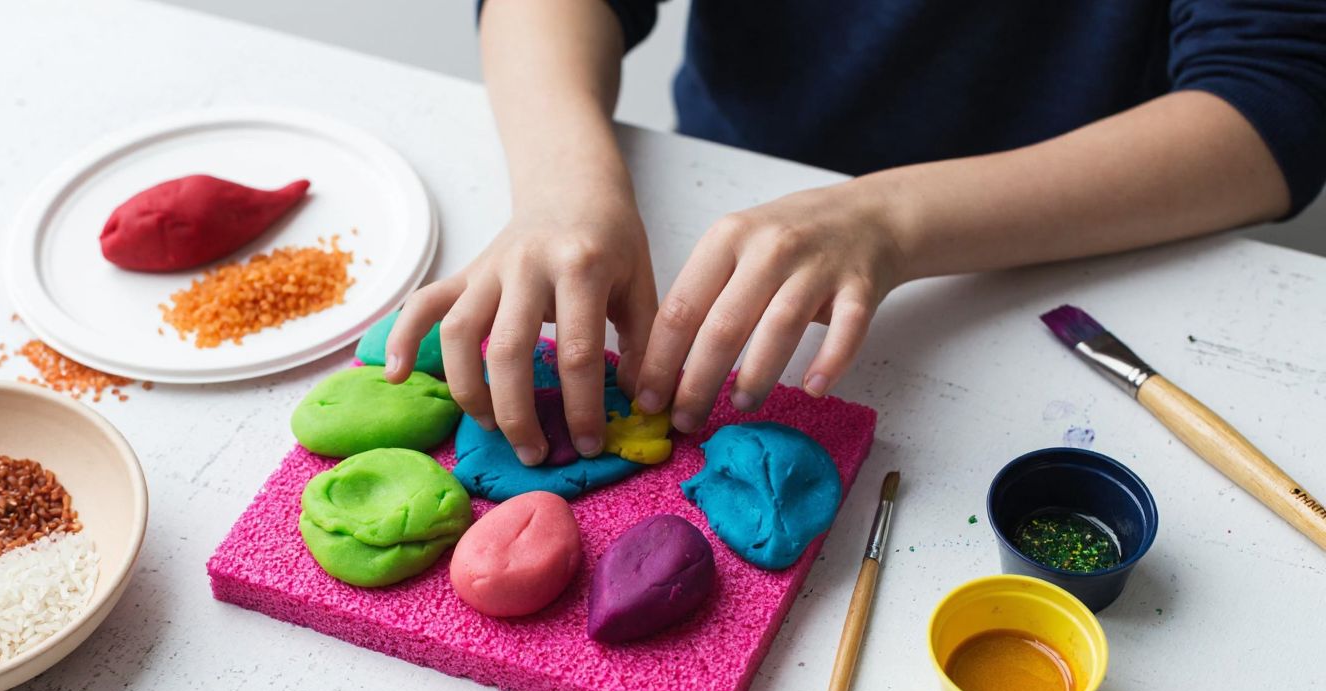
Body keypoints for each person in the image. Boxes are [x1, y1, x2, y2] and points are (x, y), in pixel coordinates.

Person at [384, 0, 1326, 466]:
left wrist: (891, 218)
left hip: (1070, 237)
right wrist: (563, 187)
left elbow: (1275, 95)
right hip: (725, 193)